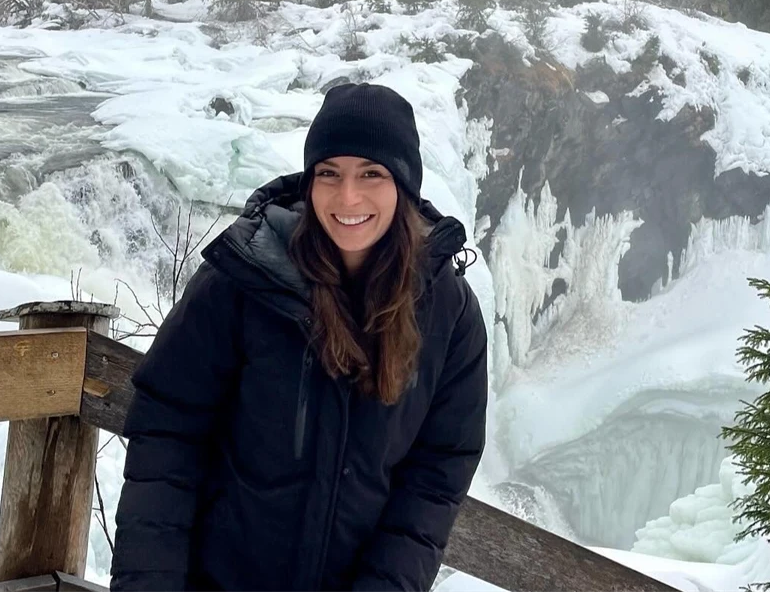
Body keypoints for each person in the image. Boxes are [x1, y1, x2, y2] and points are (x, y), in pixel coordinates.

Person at [110, 83, 489, 592]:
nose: (348, 196)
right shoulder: (244, 279)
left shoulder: (449, 312)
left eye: (371, 174)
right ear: (309, 182)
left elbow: (438, 473)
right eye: (329, 173)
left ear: (403, 186)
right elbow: (167, 431)